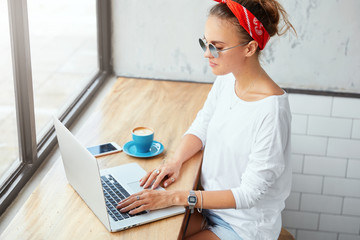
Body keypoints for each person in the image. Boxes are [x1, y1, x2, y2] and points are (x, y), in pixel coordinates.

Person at [116, 0, 295, 239]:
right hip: (207, 208)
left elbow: (249, 195)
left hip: (244, 227)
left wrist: (175, 197)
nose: (206, 53)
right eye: (205, 43)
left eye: (217, 47)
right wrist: (174, 162)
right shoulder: (227, 79)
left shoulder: (271, 111)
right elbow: (202, 125)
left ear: (250, 48)